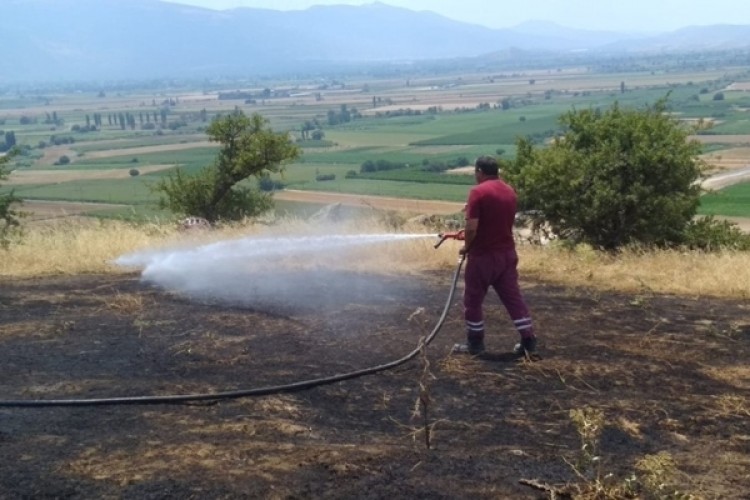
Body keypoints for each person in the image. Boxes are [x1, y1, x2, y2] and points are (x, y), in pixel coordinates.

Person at [454, 155, 537, 357]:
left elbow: (472, 228)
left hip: (483, 257)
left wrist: (466, 247)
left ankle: (475, 343)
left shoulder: (477, 192)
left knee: (472, 300)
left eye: (476, 173)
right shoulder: (509, 191)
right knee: (513, 298)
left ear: (480, 172)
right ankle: (528, 340)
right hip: (507, 255)